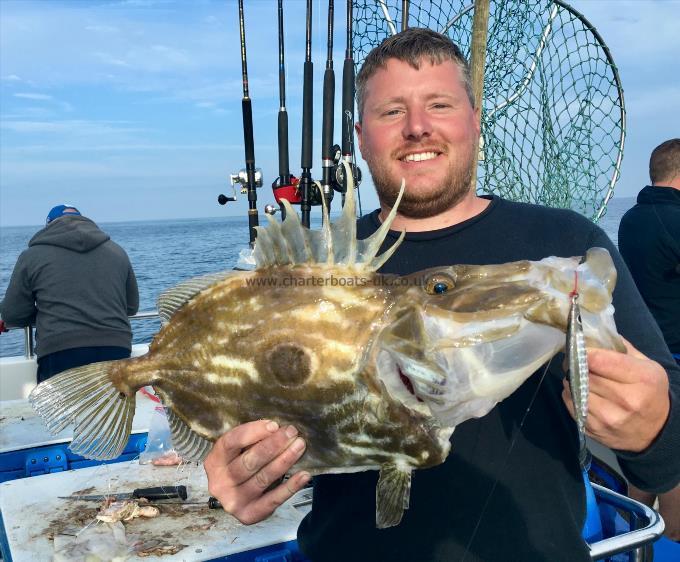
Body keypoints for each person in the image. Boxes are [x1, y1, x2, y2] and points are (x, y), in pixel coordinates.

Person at [203, 29, 680, 561]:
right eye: (391, 112)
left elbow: (668, 434)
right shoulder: (313, 271)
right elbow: (244, 407)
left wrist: (654, 431)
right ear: (362, 138)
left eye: (439, 104)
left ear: (474, 122)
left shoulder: (566, 245)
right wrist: (234, 477)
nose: (417, 127)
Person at [618, 138, 680, 541]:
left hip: (644, 348)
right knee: (675, 454)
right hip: (675, 354)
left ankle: (630, 531)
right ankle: (674, 535)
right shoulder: (674, 221)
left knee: (645, 449)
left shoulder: (630, 219)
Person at [0, 204, 139, 383]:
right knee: (110, 411)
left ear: (48, 225)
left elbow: (14, 314)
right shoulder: (117, 251)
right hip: (116, 347)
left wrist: (47, 314)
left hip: (59, 350)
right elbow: (132, 307)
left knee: (62, 411)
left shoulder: (31, 256)